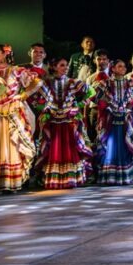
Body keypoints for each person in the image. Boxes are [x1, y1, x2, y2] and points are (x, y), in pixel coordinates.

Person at [0, 44, 42, 192]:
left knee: (13, 143)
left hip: (14, 112)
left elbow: (37, 82)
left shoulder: (16, 71)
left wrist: (22, 95)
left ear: (4, 54)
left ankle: (13, 182)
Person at [35, 56, 94, 189]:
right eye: (62, 65)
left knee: (70, 148)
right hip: (53, 123)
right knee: (53, 149)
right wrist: (45, 109)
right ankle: (55, 179)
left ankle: (71, 178)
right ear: (54, 67)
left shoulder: (73, 82)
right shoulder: (46, 83)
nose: (66, 67)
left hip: (68, 122)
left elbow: (91, 92)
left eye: (66, 65)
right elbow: (35, 98)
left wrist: (79, 105)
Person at [94, 58, 133, 185]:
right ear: (112, 69)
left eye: (124, 66)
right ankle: (109, 177)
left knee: (127, 145)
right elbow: (92, 95)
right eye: (120, 66)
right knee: (110, 146)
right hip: (111, 120)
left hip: (127, 119)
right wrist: (104, 104)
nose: (123, 68)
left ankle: (126, 176)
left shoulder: (131, 83)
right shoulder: (105, 83)